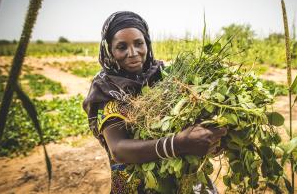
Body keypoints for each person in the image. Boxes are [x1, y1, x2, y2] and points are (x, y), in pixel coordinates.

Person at [83, 11, 227, 194]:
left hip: (183, 175)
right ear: (109, 50)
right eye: (121, 47)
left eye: (138, 43)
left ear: (147, 43)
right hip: (136, 184)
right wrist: (178, 144)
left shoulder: (164, 76)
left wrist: (210, 137)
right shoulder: (106, 90)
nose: (133, 53)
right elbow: (119, 150)